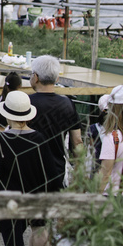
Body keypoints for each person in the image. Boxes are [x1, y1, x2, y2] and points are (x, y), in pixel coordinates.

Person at [0, 91, 54, 246]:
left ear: (8, 115)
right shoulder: (40, 139)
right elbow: (49, 171)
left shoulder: (2, 140)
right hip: (35, 196)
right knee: (39, 231)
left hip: (10, 199)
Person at [27, 55, 82, 192]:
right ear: (57, 79)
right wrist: (79, 174)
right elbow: (77, 141)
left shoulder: (27, 103)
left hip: (28, 170)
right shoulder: (67, 104)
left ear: (36, 77)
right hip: (57, 171)